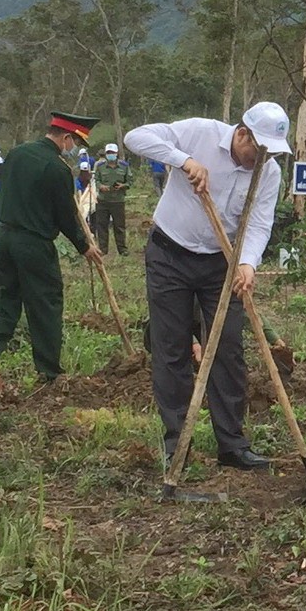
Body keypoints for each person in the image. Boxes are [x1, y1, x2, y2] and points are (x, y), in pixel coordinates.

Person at [124, 102, 290, 473]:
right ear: (242, 133)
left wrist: (247, 262)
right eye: (257, 150)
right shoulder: (200, 132)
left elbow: (260, 222)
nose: (261, 159)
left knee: (228, 349)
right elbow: (136, 137)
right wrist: (184, 160)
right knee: (172, 348)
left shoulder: (269, 171)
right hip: (169, 254)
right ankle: (176, 444)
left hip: (221, 262)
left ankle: (232, 444)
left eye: (270, 153)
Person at [0, 113, 102, 385]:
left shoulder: (17, 153)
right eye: (74, 143)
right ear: (66, 138)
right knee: (45, 305)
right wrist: (85, 247)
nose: (73, 149)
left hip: (3, 237)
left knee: (4, 304)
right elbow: (65, 216)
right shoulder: (57, 168)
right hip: (34, 245)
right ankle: (49, 372)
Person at [90, 141, 135, 255]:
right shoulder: (100, 166)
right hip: (103, 201)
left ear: (116, 153)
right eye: (108, 152)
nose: (110, 154)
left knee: (119, 226)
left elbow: (130, 181)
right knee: (102, 226)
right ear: (105, 154)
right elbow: (97, 180)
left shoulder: (124, 166)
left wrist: (122, 186)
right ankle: (103, 249)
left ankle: (122, 249)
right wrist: (101, 187)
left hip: (118, 201)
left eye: (112, 152)